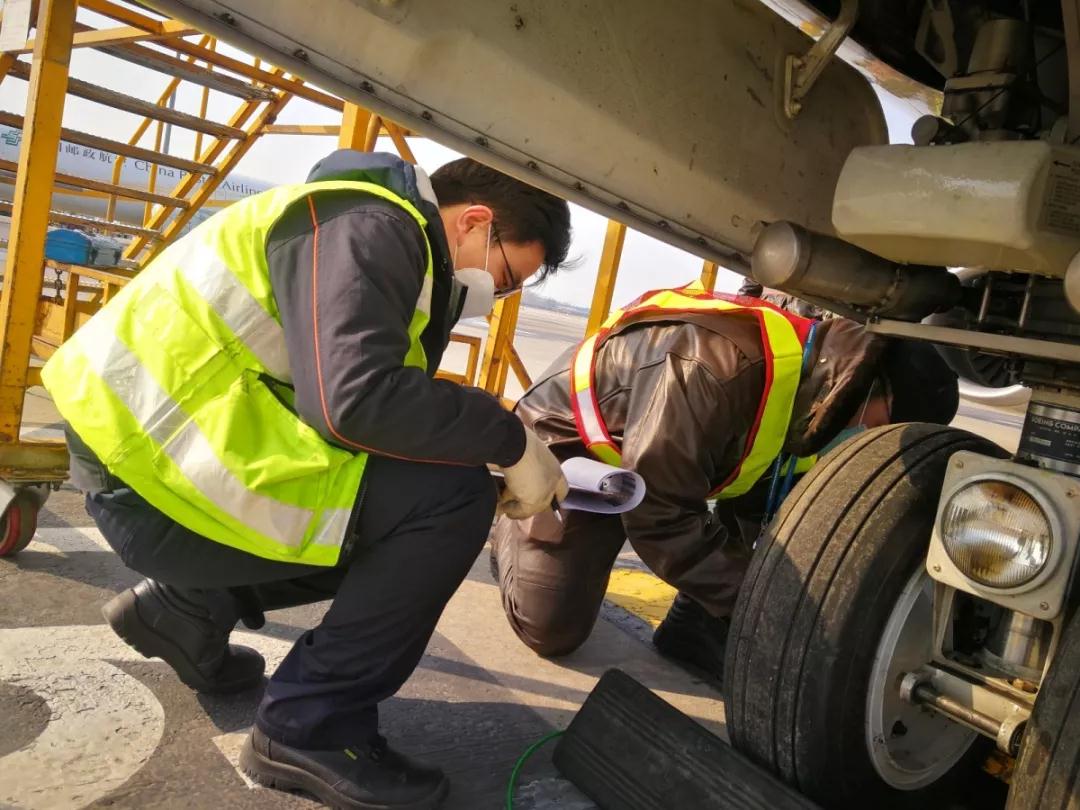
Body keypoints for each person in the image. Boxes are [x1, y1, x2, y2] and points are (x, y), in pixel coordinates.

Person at [42, 151, 572, 810]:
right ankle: (311, 727)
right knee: (450, 502)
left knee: (416, 500)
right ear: (474, 222)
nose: (497, 295)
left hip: (148, 459)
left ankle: (189, 608)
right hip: (152, 473)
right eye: (507, 276)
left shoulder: (361, 227)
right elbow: (356, 403)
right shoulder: (374, 225)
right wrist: (504, 435)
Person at [490, 283, 959, 679]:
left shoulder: (822, 395)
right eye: (881, 427)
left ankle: (694, 627)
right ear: (870, 387)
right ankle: (510, 527)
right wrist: (768, 604)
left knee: (765, 501)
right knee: (551, 629)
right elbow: (660, 518)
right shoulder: (714, 368)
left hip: (660, 466)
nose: (871, 442)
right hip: (570, 454)